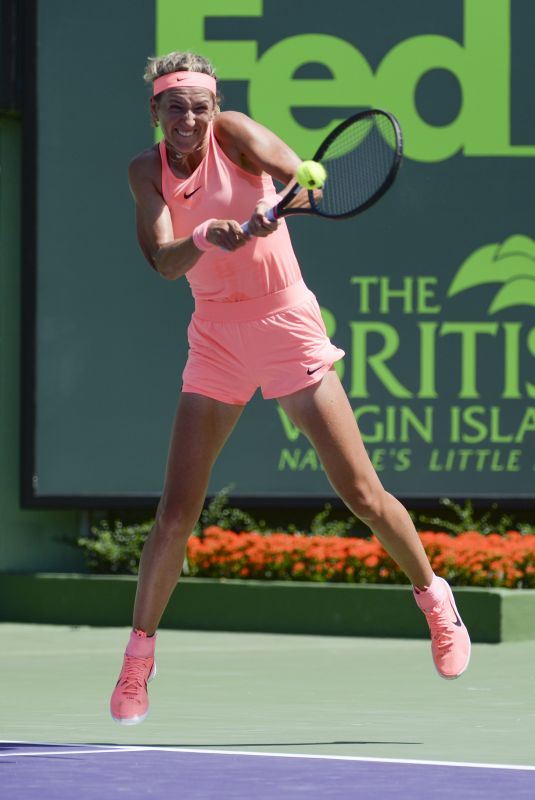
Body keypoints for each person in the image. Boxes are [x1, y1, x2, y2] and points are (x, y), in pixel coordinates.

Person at [110, 51, 471, 725]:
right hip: (215, 336)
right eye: (175, 106)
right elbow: (163, 260)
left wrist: (287, 198)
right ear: (155, 111)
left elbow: (302, 183)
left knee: (361, 494)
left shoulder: (237, 133)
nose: (189, 118)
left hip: (284, 323)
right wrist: (211, 236)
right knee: (175, 513)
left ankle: (434, 600)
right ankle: (137, 660)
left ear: (214, 110)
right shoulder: (144, 171)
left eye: (200, 106)